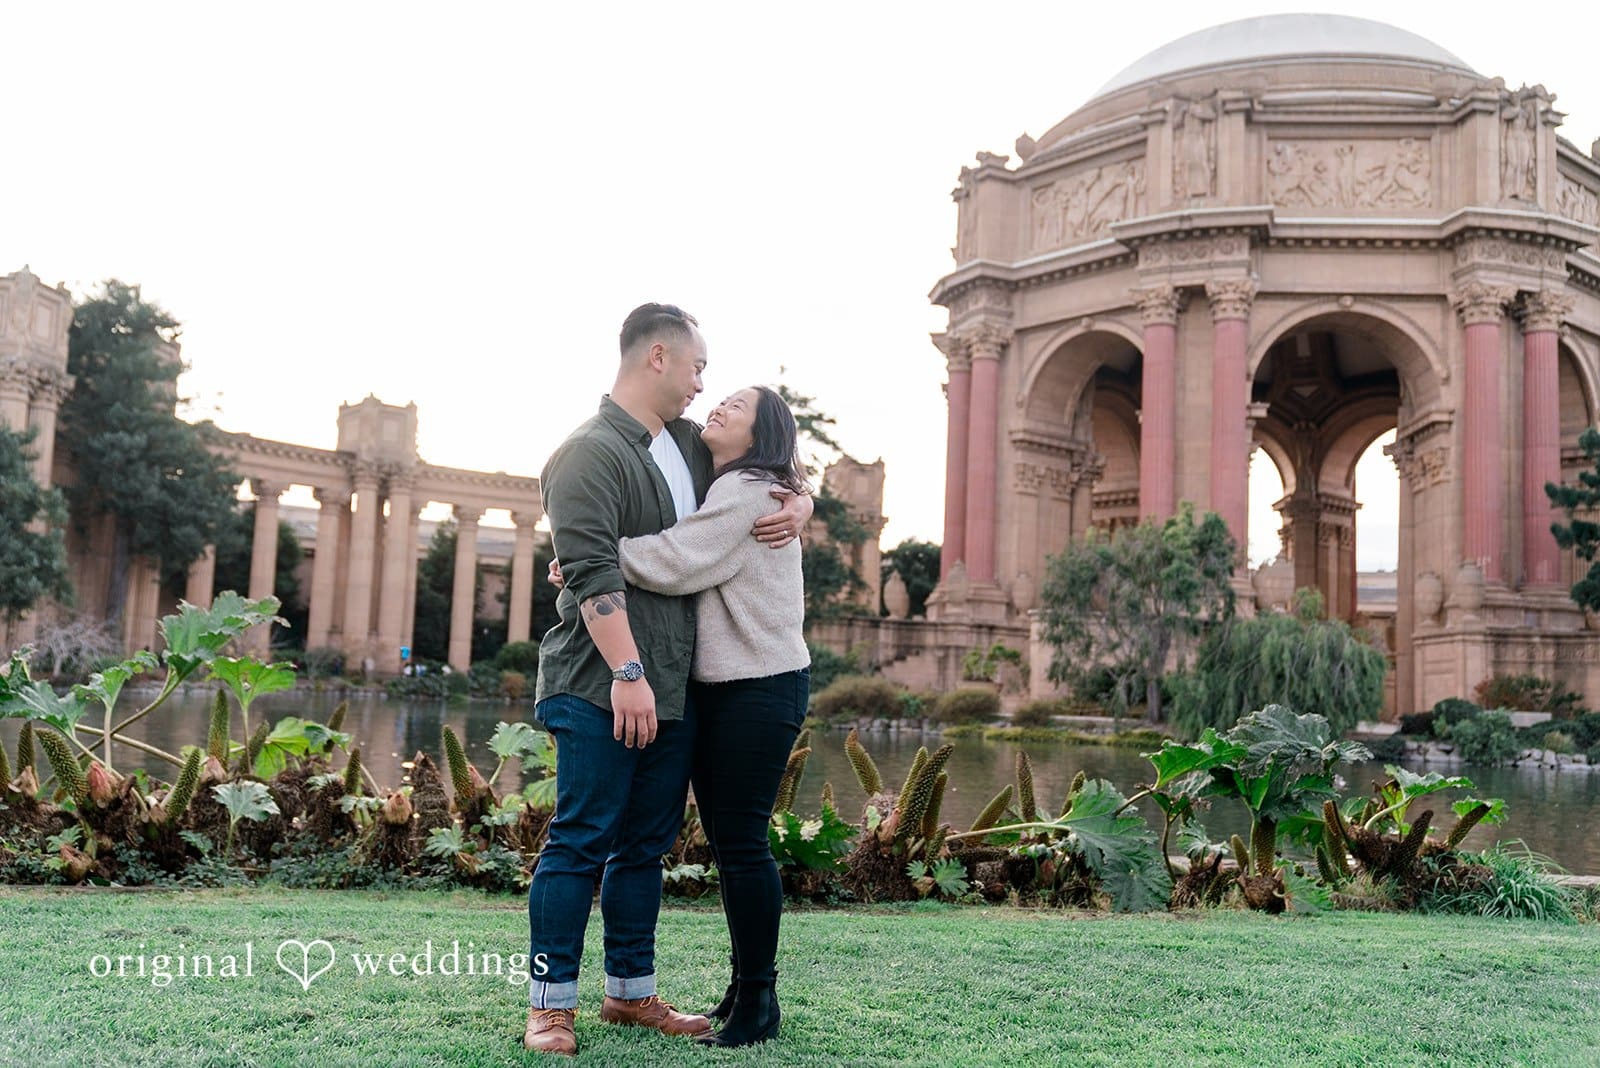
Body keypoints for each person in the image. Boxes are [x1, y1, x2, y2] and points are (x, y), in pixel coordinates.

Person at [523, 304, 810, 1057]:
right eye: (697, 369)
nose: (703, 387)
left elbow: (749, 495)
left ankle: (630, 993)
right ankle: (551, 1007)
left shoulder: (689, 447)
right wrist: (626, 669)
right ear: (658, 358)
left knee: (645, 845)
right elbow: (591, 567)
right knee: (580, 839)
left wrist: (801, 499)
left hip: (681, 689)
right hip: (603, 681)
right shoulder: (588, 451)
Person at [614, 384, 811, 1048]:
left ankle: (759, 1003)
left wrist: (592, 558)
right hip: (732, 687)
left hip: (761, 686)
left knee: (744, 846)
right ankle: (743, 988)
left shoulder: (752, 492)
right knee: (732, 848)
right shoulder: (736, 484)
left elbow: (677, 559)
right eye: (718, 396)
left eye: (735, 406)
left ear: (760, 435)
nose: (718, 407)